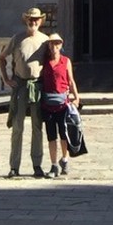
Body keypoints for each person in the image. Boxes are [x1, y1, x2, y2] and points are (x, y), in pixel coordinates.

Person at [0, 6, 49, 178]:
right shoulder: (17, 38)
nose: (33, 22)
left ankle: (37, 164)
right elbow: (2, 57)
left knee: (37, 126)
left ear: (41, 21)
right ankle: (14, 166)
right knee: (17, 126)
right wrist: (6, 79)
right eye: (30, 19)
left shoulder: (45, 40)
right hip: (20, 85)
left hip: (37, 86)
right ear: (25, 20)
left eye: (36, 19)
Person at [40, 32, 80, 177]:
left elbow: (70, 80)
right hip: (48, 103)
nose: (54, 46)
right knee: (51, 136)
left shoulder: (65, 61)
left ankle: (64, 159)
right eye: (52, 43)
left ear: (61, 45)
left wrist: (77, 97)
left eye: (57, 43)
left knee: (64, 134)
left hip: (63, 103)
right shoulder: (44, 61)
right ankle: (53, 164)